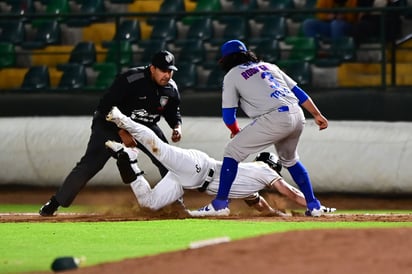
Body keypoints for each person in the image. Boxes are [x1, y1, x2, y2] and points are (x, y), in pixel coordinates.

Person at [104, 106, 336, 216]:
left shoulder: (250, 184)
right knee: (158, 149)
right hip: (197, 168)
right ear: (272, 166)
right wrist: (314, 205)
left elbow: (259, 205)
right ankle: (121, 118)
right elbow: (290, 193)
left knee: (149, 204)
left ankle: (129, 158)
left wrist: (278, 215)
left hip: (191, 178)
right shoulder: (264, 171)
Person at [191, 40, 330, 217]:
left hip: (274, 117)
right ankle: (313, 205)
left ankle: (220, 204)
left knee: (232, 152)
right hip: (297, 115)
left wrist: (234, 130)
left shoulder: (232, 75)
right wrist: (317, 114)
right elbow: (298, 92)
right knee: (290, 160)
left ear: (225, 59)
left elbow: (228, 115)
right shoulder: (269, 66)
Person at [39, 50, 183, 216]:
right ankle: (56, 202)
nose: (167, 75)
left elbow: (173, 111)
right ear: (152, 68)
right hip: (109, 124)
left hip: (144, 126)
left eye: (170, 71)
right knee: (91, 164)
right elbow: (105, 106)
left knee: (167, 160)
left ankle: (176, 203)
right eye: (163, 70)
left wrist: (176, 126)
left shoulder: (171, 88)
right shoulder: (131, 79)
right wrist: (122, 131)